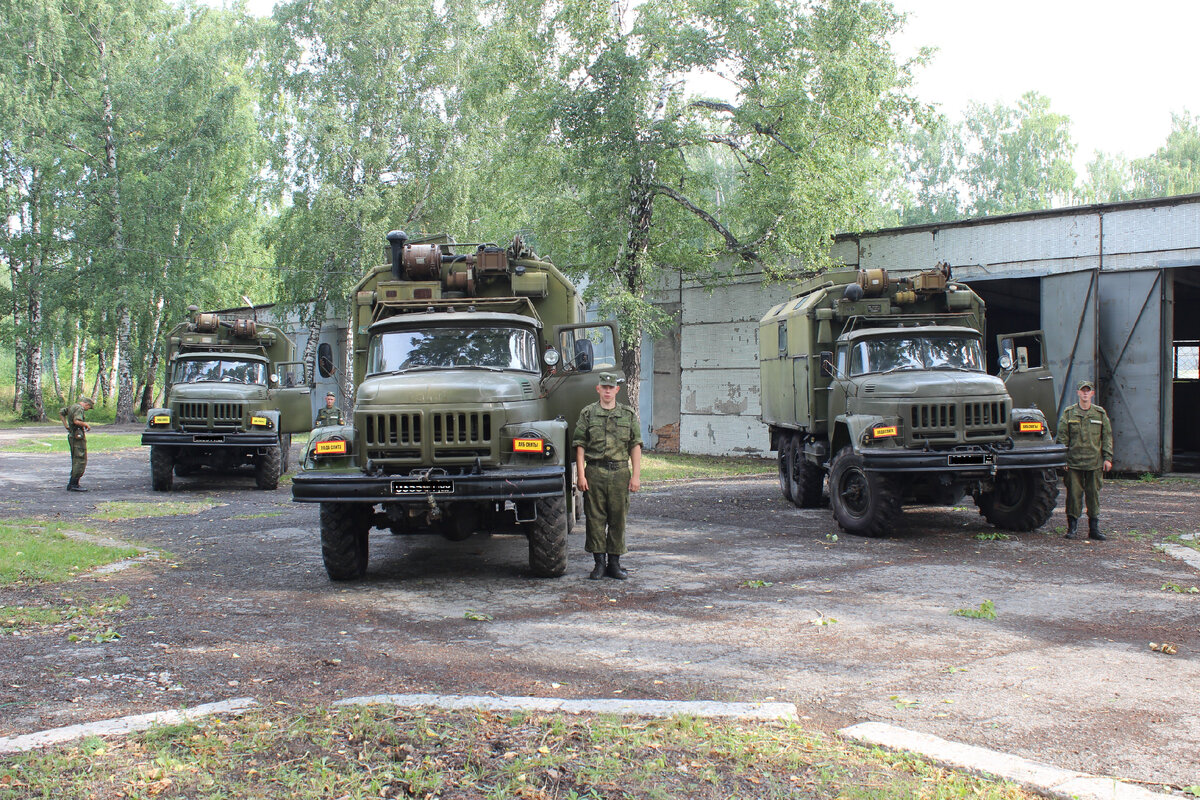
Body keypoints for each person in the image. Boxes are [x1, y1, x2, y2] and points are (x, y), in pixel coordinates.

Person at [573, 372, 643, 580]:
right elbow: (580, 445)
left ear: (617, 390)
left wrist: (636, 476)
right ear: (598, 389)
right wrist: (581, 475)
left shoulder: (627, 414)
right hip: (594, 472)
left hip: (620, 472)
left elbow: (635, 445)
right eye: (604, 387)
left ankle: (614, 563)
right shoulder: (588, 413)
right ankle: (599, 564)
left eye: (610, 388)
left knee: (618, 519)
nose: (607, 391)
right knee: (595, 519)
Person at [1056, 379, 1113, 540]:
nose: (1086, 393)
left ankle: (1094, 529)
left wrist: (1107, 458)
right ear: (1078, 393)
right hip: (1073, 463)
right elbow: (1062, 438)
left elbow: (1107, 437)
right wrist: (1063, 460)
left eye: (1088, 391)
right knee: (1074, 495)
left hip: (1094, 463)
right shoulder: (1069, 413)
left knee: (1093, 495)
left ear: (1092, 394)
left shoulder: (1099, 414)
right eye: (1083, 390)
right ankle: (1072, 527)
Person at [60, 396, 94, 492]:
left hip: (72, 435)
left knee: (76, 458)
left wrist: (66, 425)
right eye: (89, 407)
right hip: (77, 436)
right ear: (86, 404)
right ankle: (74, 484)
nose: (87, 409)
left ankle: (73, 483)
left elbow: (62, 412)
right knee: (80, 459)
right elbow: (77, 421)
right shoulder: (79, 408)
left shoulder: (72, 406)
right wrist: (85, 424)